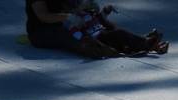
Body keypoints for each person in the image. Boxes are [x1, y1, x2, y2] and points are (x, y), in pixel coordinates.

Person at [25, 0, 168, 58]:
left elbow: (76, 5)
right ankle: (98, 49)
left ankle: (143, 42)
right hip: (42, 32)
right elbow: (43, 16)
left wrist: (88, 6)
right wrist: (67, 16)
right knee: (70, 37)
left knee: (111, 33)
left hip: (70, 25)